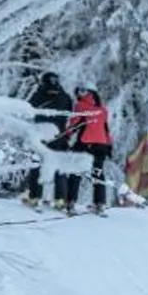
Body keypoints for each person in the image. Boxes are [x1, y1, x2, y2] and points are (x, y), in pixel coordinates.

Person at [57, 86, 113, 215]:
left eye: (82, 91)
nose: (80, 94)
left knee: (76, 172)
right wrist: (109, 145)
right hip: (101, 145)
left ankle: (70, 203)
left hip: (84, 143)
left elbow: (74, 124)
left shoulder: (80, 106)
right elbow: (106, 129)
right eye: (78, 91)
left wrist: (65, 137)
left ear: (90, 92)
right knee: (98, 173)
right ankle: (99, 204)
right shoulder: (102, 109)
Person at [22, 71, 71, 207]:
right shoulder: (65, 97)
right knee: (59, 169)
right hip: (59, 136)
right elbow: (69, 115)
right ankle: (60, 200)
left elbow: (28, 110)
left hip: (41, 136)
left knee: (37, 166)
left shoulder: (38, 95)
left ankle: (34, 197)